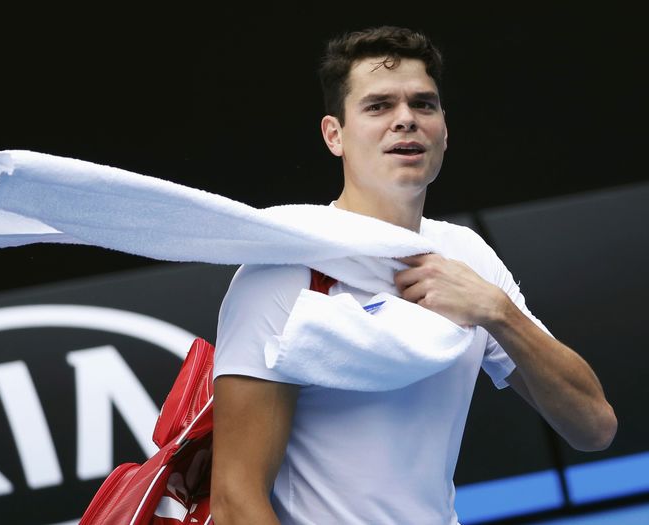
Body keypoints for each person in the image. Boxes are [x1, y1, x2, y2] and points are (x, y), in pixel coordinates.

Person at [209, 25, 617, 524]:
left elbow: (593, 427)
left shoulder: (468, 257)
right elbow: (235, 502)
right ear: (333, 135)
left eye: (424, 105)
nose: (406, 120)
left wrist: (497, 312)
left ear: (445, 127)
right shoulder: (281, 271)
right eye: (378, 106)